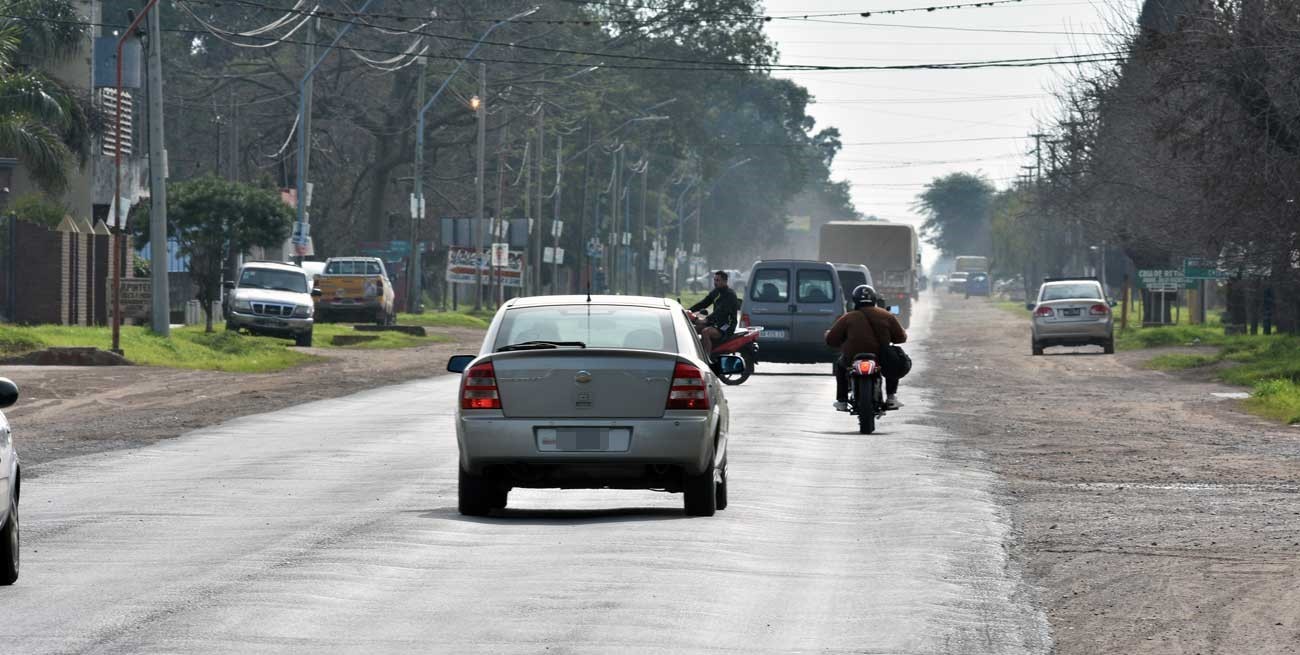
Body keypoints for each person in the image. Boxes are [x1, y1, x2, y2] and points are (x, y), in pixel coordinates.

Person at [825, 284, 908, 411]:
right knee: (892, 361)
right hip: (880, 356)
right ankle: (891, 397)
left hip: (852, 357)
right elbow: (901, 338)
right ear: (874, 299)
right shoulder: (886, 315)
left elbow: (831, 339)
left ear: (855, 300)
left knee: (840, 367)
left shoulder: (848, 317)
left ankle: (842, 400)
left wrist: (838, 342)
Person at [689, 270, 741, 354]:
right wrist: (688, 311)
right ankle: (695, 352)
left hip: (727, 325)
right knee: (693, 329)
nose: (715, 282)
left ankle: (706, 359)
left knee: (706, 332)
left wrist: (706, 320)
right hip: (716, 323)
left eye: (717, 280)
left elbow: (720, 311)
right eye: (714, 280)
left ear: (725, 281)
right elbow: (704, 303)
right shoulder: (716, 291)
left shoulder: (730, 294)